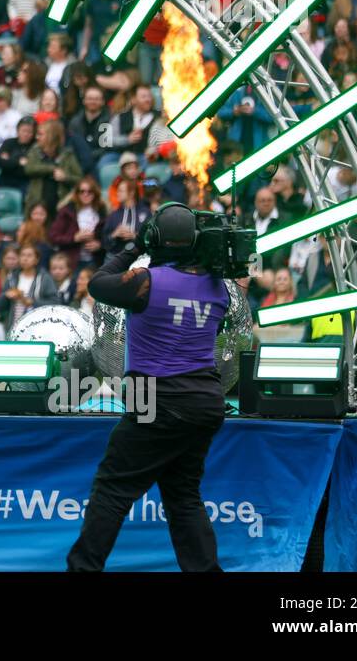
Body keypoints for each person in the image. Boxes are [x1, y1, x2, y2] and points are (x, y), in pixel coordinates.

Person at [68, 204, 231, 572]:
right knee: (183, 496)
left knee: (112, 490)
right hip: (205, 402)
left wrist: (132, 248)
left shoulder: (146, 282)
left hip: (157, 401)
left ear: (155, 240)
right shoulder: (218, 289)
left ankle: (82, 570)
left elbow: (98, 283)